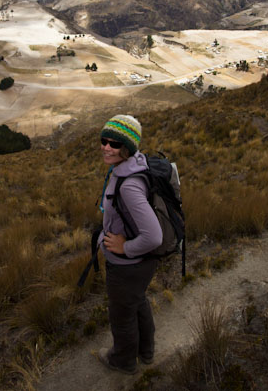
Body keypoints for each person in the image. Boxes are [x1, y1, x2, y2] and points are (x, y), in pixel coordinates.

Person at [97, 114, 163, 375]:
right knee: (137, 302)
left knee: (121, 314)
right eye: (104, 140)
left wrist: (125, 248)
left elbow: (154, 236)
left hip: (128, 265)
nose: (106, 147)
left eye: (114, 144)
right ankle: (146, 353)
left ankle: (123, 361)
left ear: (128, 148)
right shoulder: (135, 165)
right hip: (142, 265)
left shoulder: (129, 185)